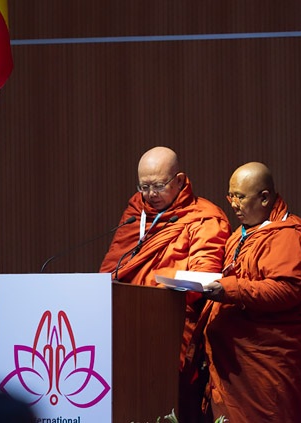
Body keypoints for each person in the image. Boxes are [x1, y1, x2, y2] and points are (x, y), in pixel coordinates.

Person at [99, 146, 230, 423]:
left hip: (171, 331)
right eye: (144, 186)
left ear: (180, 180)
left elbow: (203, 277)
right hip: (125, 332)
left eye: (158, 186)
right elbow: (112, 269)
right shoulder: (137, 212)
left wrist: (152, 294)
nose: (150, 195)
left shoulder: (205, 217)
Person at [202, 162, 301, 422]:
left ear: (265, 197)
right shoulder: (241, 233)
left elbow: (286, 290)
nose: (233, 204)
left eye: (240, 197)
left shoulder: (291, 236)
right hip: (233, 362)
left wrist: (228, 289)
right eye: (230, 196)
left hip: (265, 362)